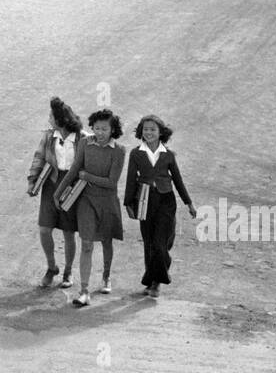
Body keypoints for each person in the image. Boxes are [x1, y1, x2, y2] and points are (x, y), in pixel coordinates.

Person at [123, 116, 197, 299]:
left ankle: (157, 281)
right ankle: (151, 282)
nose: (148, 132)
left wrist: (189, 203)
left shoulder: (168, 155)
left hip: (166, 201)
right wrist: (128, 203)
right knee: (149, 244)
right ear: (141, 132)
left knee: (159, 244)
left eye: (152, 129)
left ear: (160, 133)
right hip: (144, 201)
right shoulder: (136, 153)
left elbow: (178, 180)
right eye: (145, 129)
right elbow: (131, 179)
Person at [58, 109, 125, 306]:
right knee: (86, 243)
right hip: (86, 200)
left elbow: (112, 182)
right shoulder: (85, 143)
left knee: (106, 241)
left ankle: (106, 276)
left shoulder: (119, 151)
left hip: (107, 201)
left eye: (104, 128)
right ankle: (84, 290)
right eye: (96, 128)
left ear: (113, 130)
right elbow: (74, 169)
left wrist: (88, 177)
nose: (100, 132)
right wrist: (58, 192)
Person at [26, 96, 82, 289]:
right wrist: (32, 181)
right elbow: (39, 158)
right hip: (51, 185)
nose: (49, 119)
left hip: (71, 187)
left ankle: (68, 271)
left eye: (51, 116)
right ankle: (52, 267)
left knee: (68, 233)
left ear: (60, 120)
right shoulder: (49, 136)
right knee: (44, 229)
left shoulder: (82, 137)